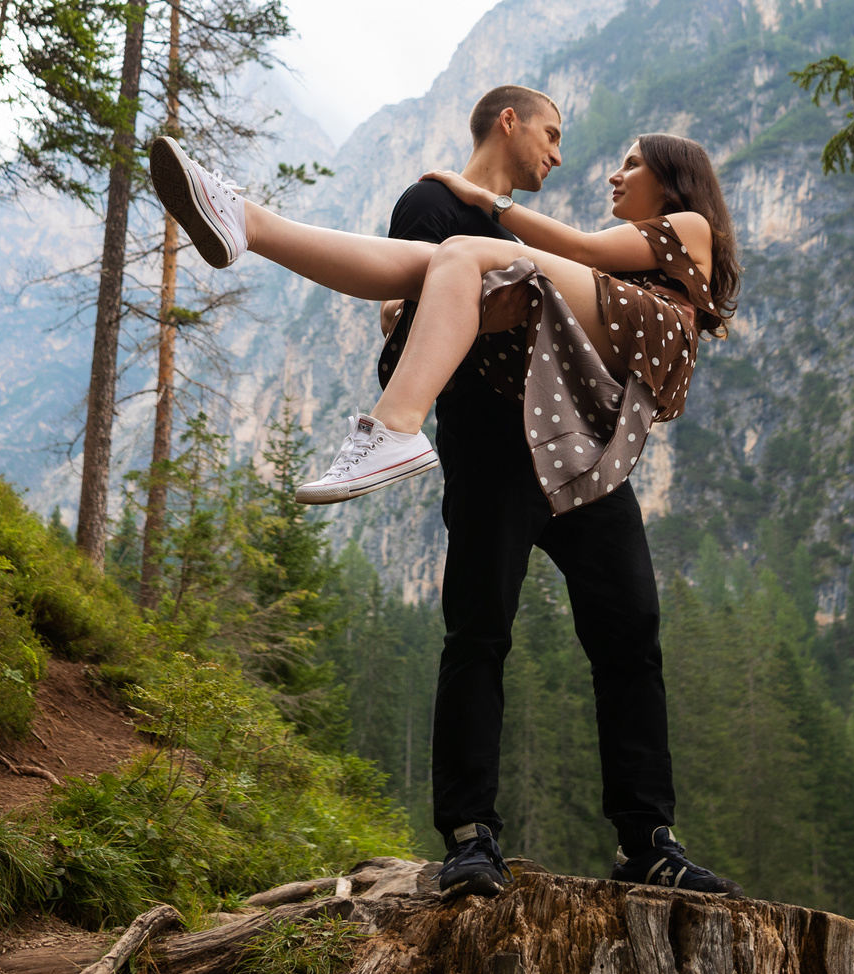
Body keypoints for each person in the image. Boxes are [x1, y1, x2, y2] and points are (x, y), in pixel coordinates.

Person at [145, 85, 744, 898]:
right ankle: (247, 222)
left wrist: (483, 207)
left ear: (675, 179)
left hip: (586, 446)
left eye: (632, 163)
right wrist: (419, 303)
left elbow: (583, 250)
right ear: (509, 122)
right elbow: (439, 299)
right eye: (557, 135)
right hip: (510, 433)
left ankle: (648, 839)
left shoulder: (683, 230)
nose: (606, 169)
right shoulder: (448, 210)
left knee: (629, 637)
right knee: (478, 630)